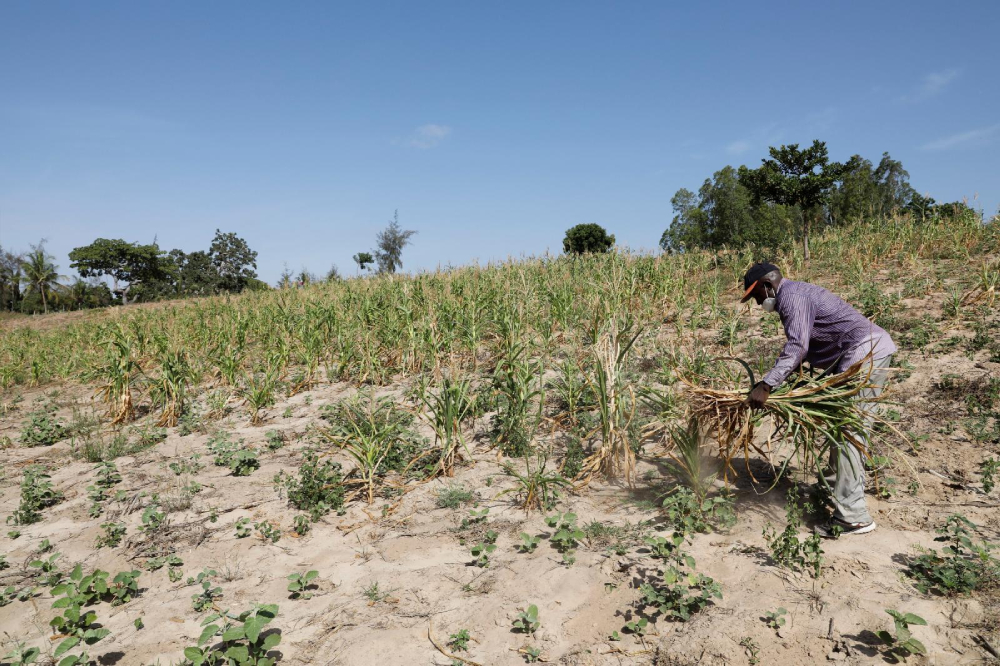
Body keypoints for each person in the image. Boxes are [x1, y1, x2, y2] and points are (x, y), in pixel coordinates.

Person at [740, 262, 896, 537]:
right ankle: (836, 488)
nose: (758, 302)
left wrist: (766, 385)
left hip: (866, 356)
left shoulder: (792, 297)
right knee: (839, 427)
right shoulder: (794, 295)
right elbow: (805, 346)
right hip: (857, 358)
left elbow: (798, 346)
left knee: (850, 433)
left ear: (767, 284)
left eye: (756, 295)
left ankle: (853, 518)